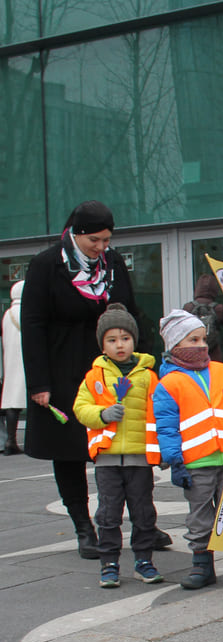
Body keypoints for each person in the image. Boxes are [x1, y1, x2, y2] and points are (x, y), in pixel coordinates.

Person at [22, 201, 170, 558]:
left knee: (127, 445)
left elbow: (131, 312)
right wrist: (39, 383)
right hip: (64, 371)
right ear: (76, 233)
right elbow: (33, 326)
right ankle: (84, 526)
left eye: (107, 240)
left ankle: (142, 524)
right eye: (95, 240)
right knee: (70, 450)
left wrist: (146, 362)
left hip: (116, 369)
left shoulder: (114, 264)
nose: (102, 247)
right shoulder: (46, 265)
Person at [153, 309, 223, 592]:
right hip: (195, 462)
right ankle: (202, 564)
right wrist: (175, 461)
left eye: (202, 338)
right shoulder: (168, 384)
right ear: (175, 346)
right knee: (199, 516)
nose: (201, 345)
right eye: (192, 339)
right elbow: (166, 427)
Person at [72, 304, 163, 588]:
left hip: (139, 457)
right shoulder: (94, 376)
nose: (119, 345)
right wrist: (102, 415)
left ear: (134, 340)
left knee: (143, 512)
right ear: (102, 344)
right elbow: (80, 407)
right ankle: (108, 563)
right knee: (108, 514)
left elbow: (160, 410)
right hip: (107, 458)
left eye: (125, 338)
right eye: (112, 340)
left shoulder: (148, 376)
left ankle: (144, 560)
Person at [2, 281, 25, 455]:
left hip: (10, 360)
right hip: (25, 360)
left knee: (12, 402)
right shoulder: (26, 312)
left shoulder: (7, 314)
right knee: (30, 400)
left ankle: (11, 439)